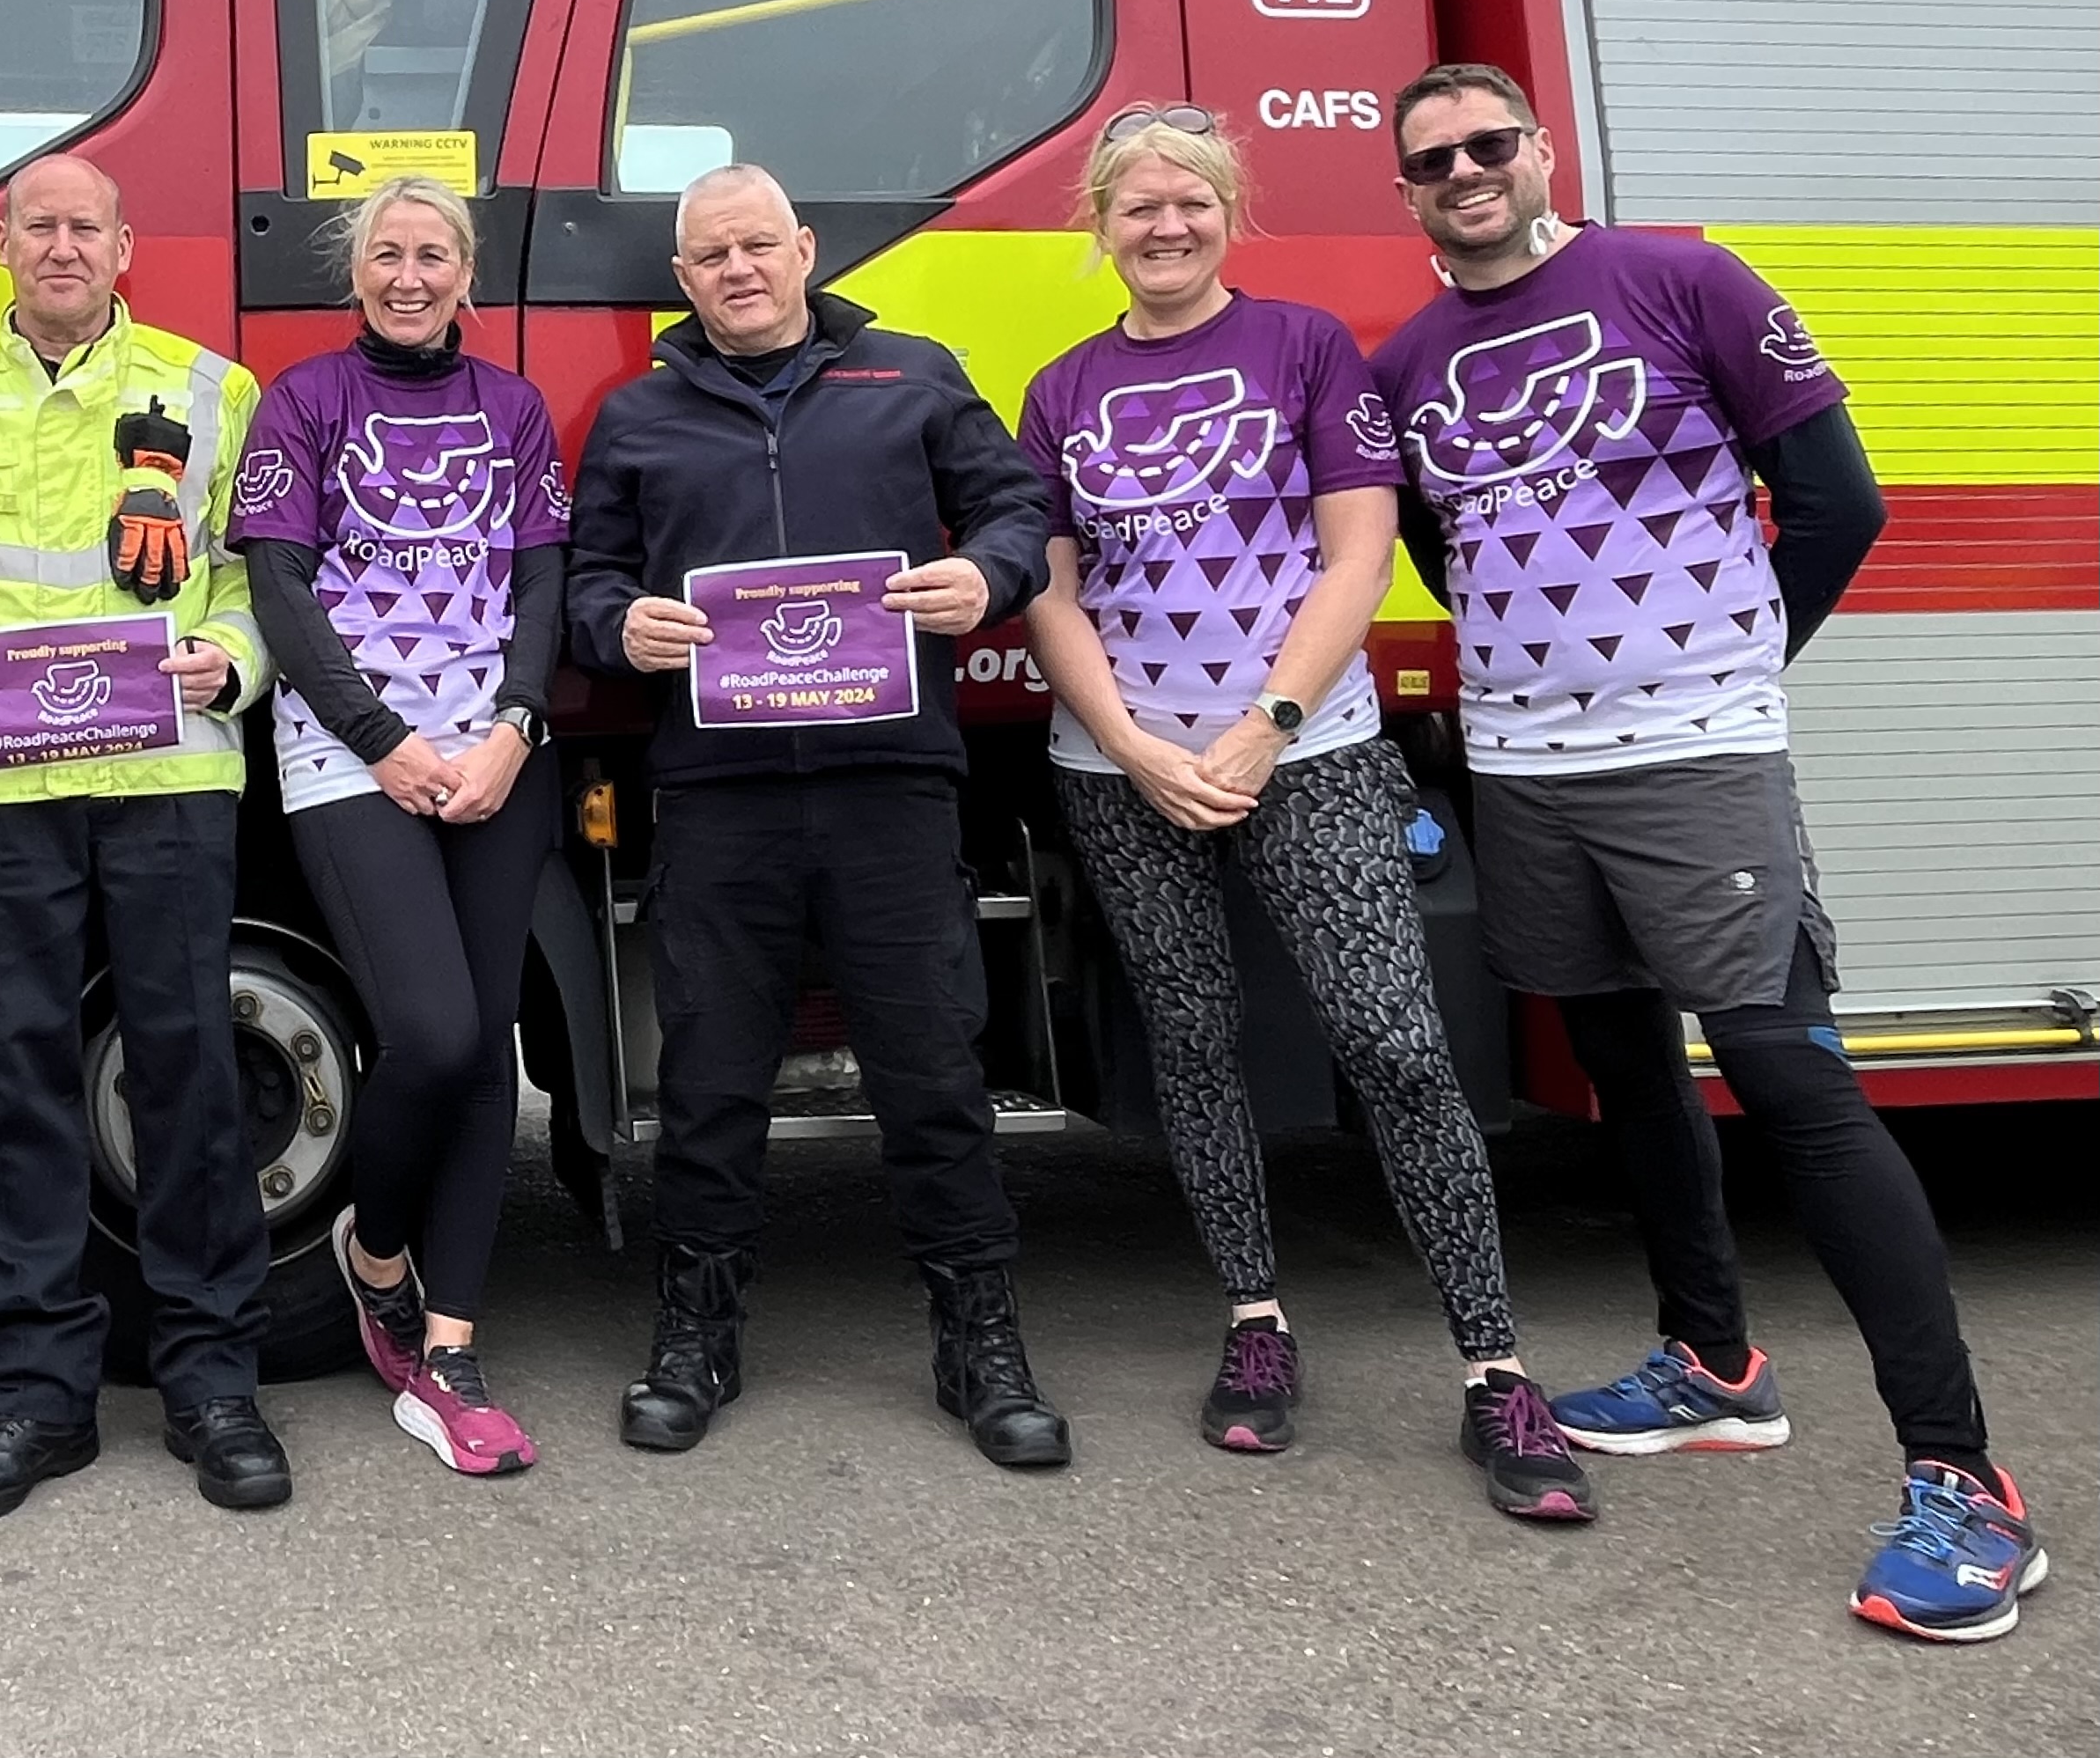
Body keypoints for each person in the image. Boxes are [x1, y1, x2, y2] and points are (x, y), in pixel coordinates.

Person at [1375, 62, 2046, 1639]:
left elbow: (1837, 501)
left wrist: (1727, 664)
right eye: (1433, 160)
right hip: (1525, 768)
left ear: (1540, 151)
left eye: (1488, 144)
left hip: (1697, 761)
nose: (1465, 172)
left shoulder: (1683, 279)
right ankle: (1713, 1362)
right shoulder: (1406, 361)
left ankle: (1966, 1481)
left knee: (1792, 1084)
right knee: (1624, 1062)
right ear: (1406, 191)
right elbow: (1439, 545)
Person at [1016, 105, 1591, 1522]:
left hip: (1311, 752)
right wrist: (1133, 744)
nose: (1167, 226)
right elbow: (1050, 591)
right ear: (1101, 223)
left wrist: (1261, 726)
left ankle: (1496, 1367)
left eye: (1192, 202)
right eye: (1140, 206)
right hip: (1124, 773)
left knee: (1394, 1043)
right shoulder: (1062, 386)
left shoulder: (1307, 347)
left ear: (1229, 212)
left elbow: (1359, 552)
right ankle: (1255, 1320)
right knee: (1194, 1041)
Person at [567, 163, 1068, 1468]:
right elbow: (588, 579)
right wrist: (620, 625)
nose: (737, 270)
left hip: (890, 782)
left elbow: (1019, 506)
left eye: (757, 245)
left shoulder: (915, 375)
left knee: (931, 1070)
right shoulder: (637, 415)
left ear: (804, 248)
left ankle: (980, 1340)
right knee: (709, 1075)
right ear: (682, 279)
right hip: (717, 794)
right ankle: (698, 1332)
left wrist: (987, 575)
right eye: (710, 255)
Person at [0, 152, 286, 1526]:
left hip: (169, 772)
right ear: (0, 246)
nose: (60, 245)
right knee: (10, 1084)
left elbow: (260, 571)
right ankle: (37, 1393)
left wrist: (231, 657)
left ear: (123, 246)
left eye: (84, 226)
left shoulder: (212, 391)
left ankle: (213, 1381)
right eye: (37, 225)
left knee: (190, 1073)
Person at [226, 175, 567, 1477]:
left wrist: (515, 727)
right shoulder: (305, 400)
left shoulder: (512, 406)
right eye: (387, 255)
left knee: (487, 1053)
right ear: (356, 272)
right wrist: (384, 741)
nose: (409, 276)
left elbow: (541, 578)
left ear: (466, 274)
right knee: (431, 1030)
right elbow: (277, 588)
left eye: (433, 255)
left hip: (496, 756)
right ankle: (375, 1254)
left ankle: (450, 1350)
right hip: (350, 755)